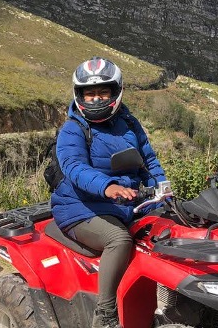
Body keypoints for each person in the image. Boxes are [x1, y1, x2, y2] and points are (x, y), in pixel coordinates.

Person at [50, 57, 167, 328]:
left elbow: (148, 161)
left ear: (116, 91)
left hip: (126, 202)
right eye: (89, 93)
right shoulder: (73, 129)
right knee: (119, 240)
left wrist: (164, 189)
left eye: (103, 92)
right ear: (79, 95)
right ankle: (105, 314)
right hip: (80, 207)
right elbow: (74, 167)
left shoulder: (128, 123)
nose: (96, 99)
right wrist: (107, 186)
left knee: (172, 230)